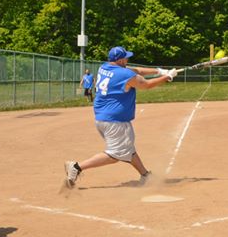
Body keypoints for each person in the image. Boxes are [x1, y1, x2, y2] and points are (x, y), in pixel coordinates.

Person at [63, 46, 178, 189]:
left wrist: (159, 71)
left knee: (127, 148)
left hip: (102, 118)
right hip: (115, 122)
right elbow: (146, 85)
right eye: (126, 57)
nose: (128, 59)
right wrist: (167, 77)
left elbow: (136, 71)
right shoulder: (123, 75)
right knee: (115, 154)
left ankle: (145, 175)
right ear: (121, 60)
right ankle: (77, 167)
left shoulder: (104, 67)